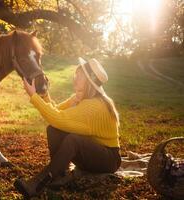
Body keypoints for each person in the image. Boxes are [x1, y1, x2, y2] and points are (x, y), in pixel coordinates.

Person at [14, 57, 121, 198]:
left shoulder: (94, 106)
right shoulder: (80, 98)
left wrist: (33, 96)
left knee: (74, 140)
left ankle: (40, 182)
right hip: (93, 151)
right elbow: (57, 113)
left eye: (79, 76)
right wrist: (45, 95)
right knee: (54, 130)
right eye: (75, 75)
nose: (74, 79)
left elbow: (57, 118)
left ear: (89, 82)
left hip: (109, 160)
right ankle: (60, 173)